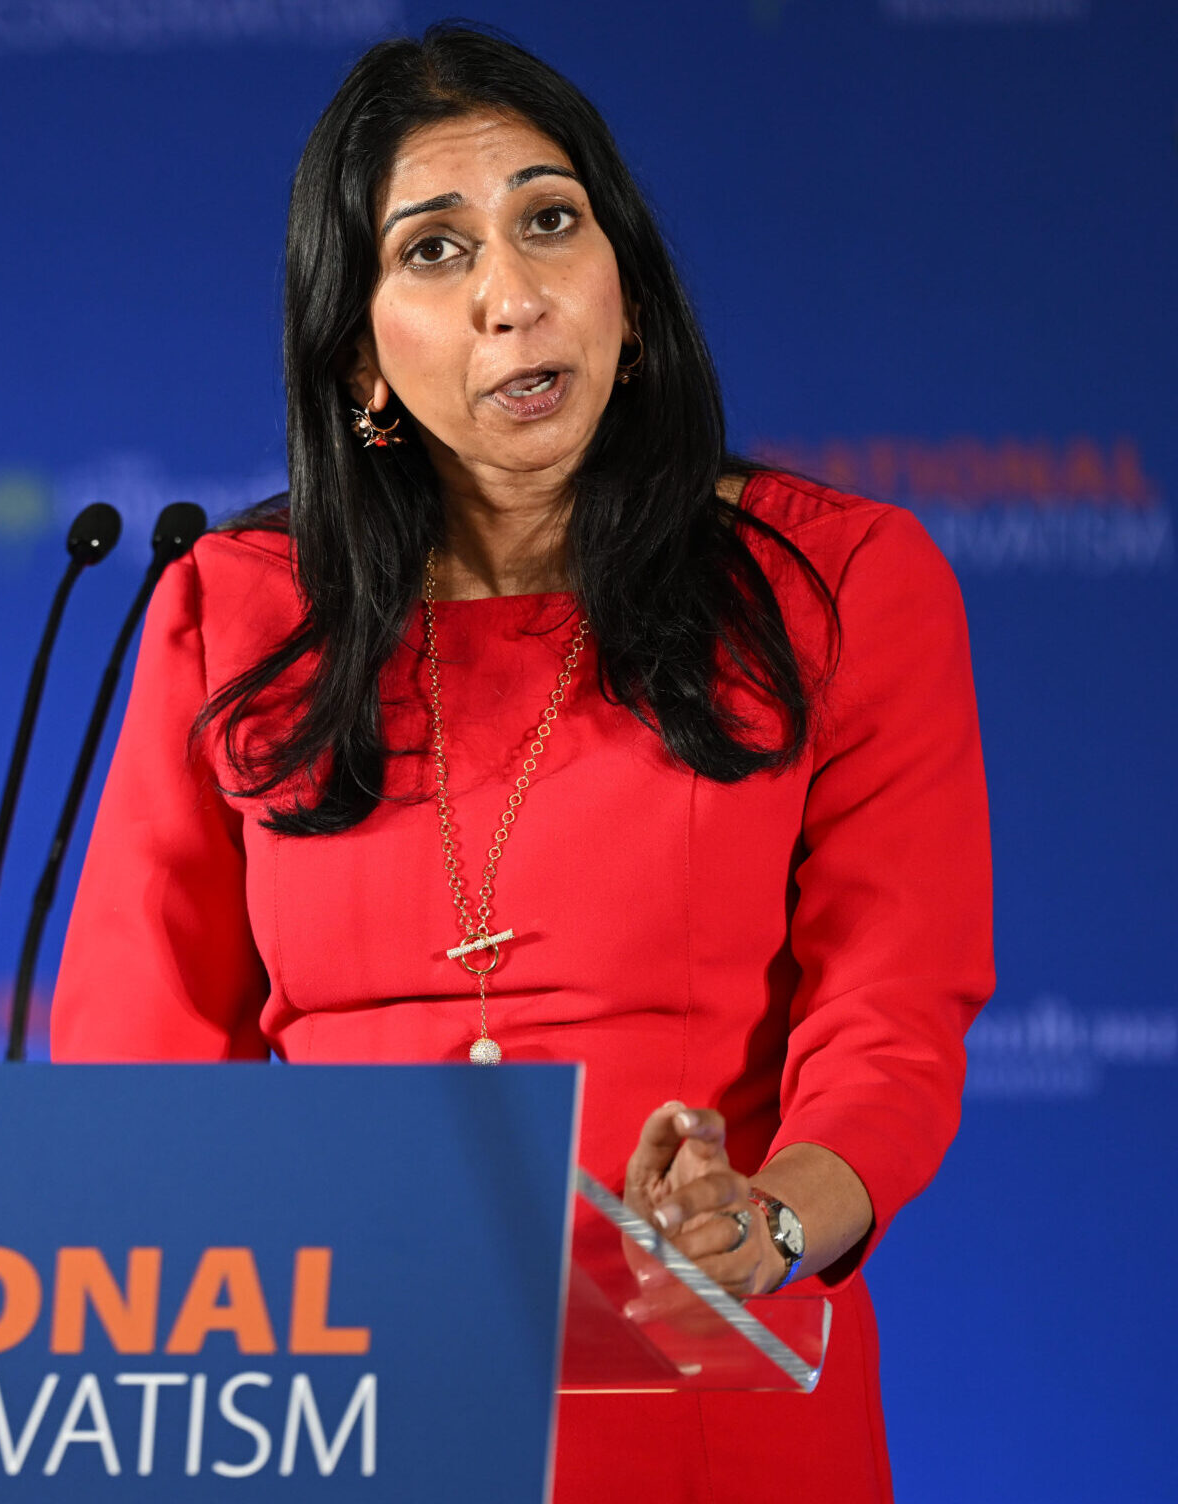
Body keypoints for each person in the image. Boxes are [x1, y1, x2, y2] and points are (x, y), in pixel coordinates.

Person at [49, 22, 991, 1503]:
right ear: (360, 355)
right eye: (434, 250)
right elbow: (136, 1068)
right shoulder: (233, 615)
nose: (513, 293)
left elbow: (892, 1017)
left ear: (629, 290)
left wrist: (767, 1224)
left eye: (551, 222)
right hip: (347, 1408)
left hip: (706, 1403)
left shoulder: (836, 586)